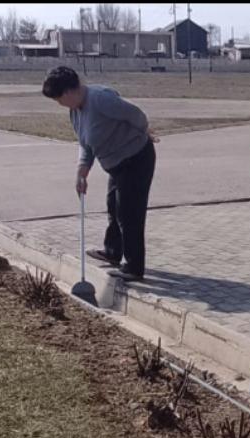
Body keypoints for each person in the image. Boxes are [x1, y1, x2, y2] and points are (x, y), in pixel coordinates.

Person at [42, 66, 157, 282]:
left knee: (129, 213)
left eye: (58, 98)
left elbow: (136, 115)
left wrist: (142, 133)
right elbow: (86, 144)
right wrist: (81, 172)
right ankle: (113, 252)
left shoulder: (100, 99)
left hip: (136, 159)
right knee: (113, 206)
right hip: (115, 164)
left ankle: (133, 266)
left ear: (68, 91)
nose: (59, 104)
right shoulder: (75, 111)